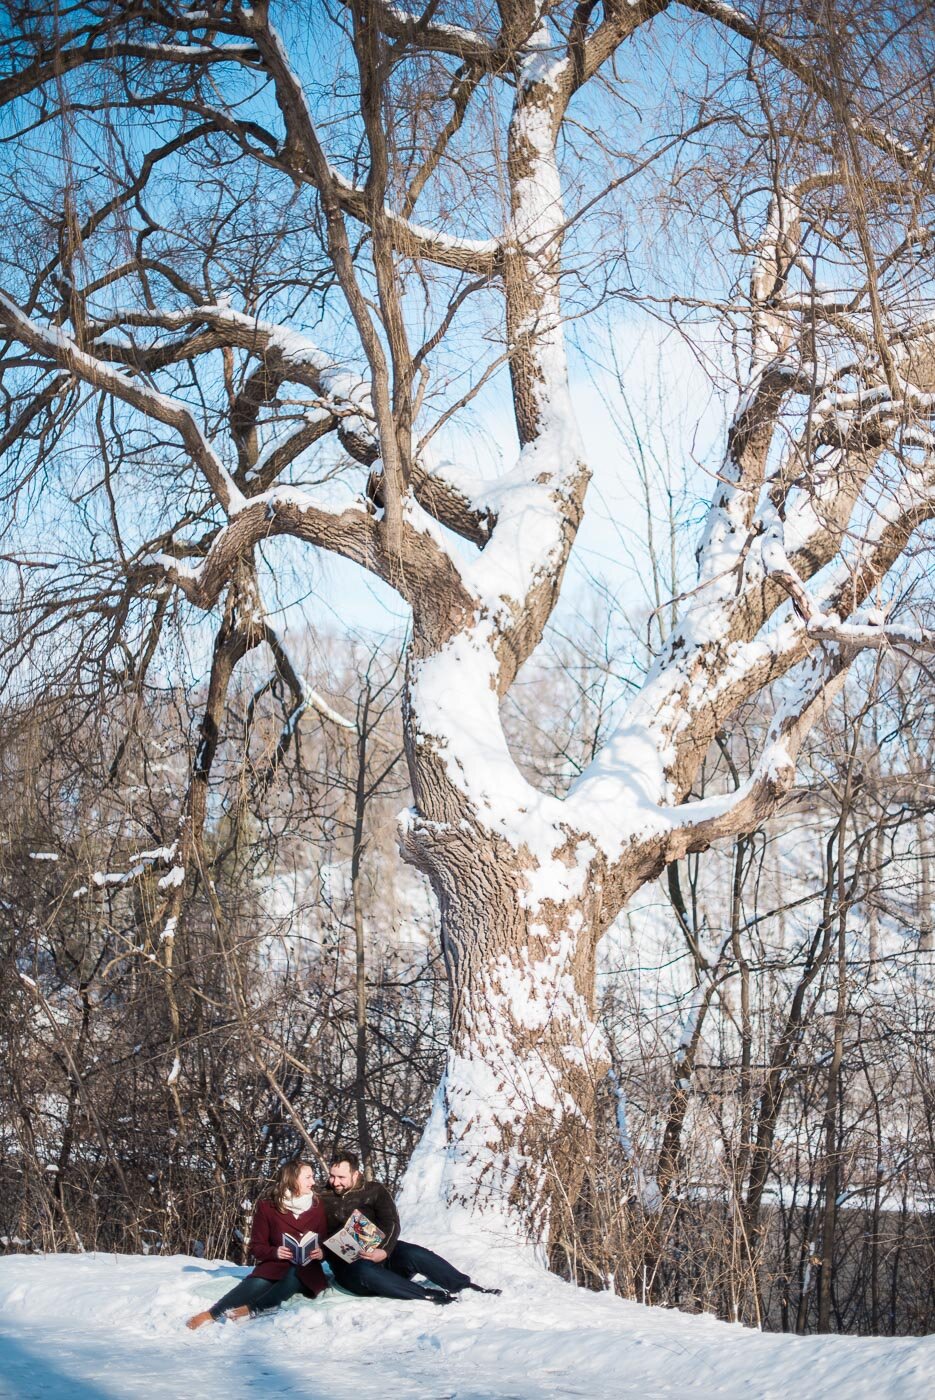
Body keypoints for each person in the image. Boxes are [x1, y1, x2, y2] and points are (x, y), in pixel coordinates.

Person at [318, 1151, 500, 1304]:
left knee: (414, 1253)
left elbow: (391, 1222)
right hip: (352, 1268)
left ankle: (463, 1286)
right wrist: (324, 1251)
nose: (335, 1182)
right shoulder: (322, 1198)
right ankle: (427, 1295)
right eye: (332, 1176)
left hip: (380, 1253)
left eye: (341, 1177)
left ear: (355, 1174)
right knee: (365, 1271)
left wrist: (383, 1251)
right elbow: (317, 1236)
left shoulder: (374, 1190)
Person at [186, 1160, 328, 1328]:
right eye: (308, 1177)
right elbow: (257, 1247)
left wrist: (321, 1253)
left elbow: (324, 1243)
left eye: (312, 1177)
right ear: (292, 1179)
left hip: (306, 1269)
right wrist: (276, 1252)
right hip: (276, 1264)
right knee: (256, 1283)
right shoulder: (268, 1207)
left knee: (295, 1275)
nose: (313, 1182)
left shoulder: (318, 1206)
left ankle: (254, 1309)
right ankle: (213, 1313)